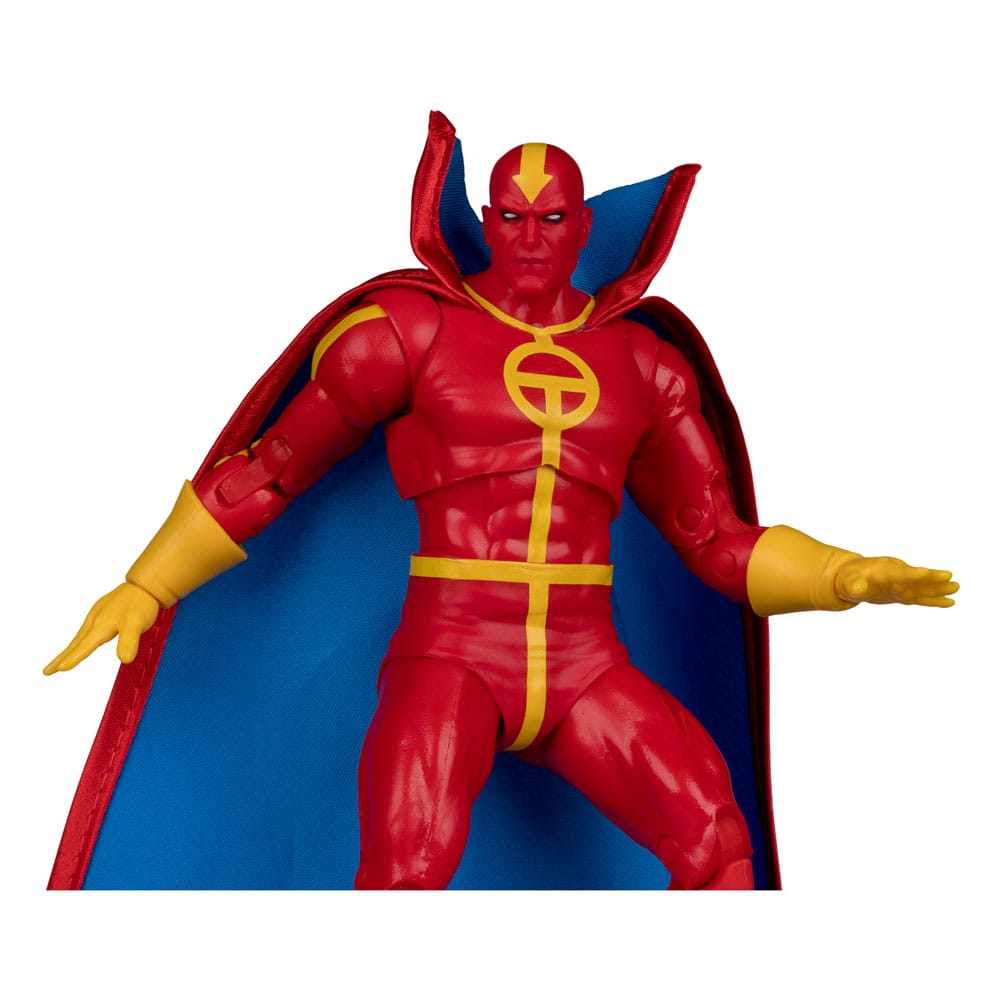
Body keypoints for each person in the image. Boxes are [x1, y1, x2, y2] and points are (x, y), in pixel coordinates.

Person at [45, 126, 957, 890]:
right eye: (511, 217)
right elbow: (274, 470)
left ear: (583, 226)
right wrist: (147, 583)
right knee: (406, 871)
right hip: (452, 652)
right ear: (484, 221)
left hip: (585, 666)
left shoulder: (643, 365)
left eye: (550, 218)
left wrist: (839, 576)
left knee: (716, 840)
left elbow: (716, 539)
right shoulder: (409, 334)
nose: (528, 238)